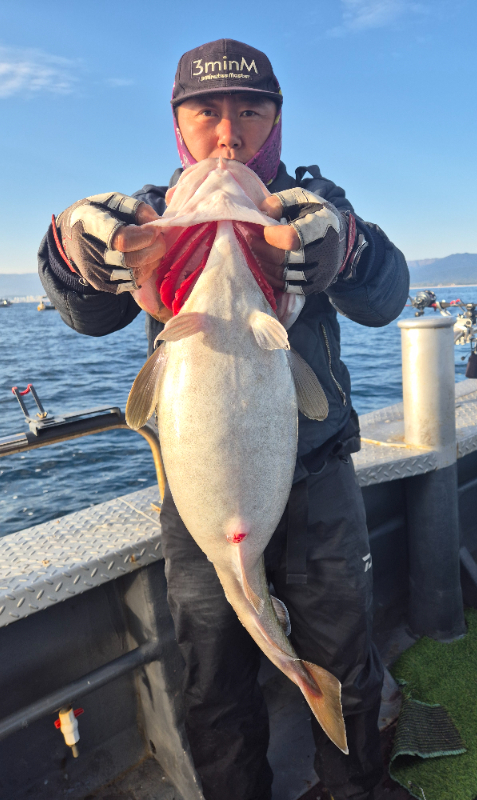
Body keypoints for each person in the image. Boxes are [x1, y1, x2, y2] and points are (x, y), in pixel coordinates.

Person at [38, 39, 409, 800]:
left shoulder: (312, 204)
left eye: (250, 112)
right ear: (178, 124)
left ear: (277, 121)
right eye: (207, 113)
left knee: (347, 657)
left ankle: (358, 789)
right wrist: (76, 251)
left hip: (318, 480)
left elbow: (386, 296)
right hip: (198, 492)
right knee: (213, 676)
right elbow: (87, 312)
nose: (229, 135)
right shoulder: (152, 213)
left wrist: (346, 248)